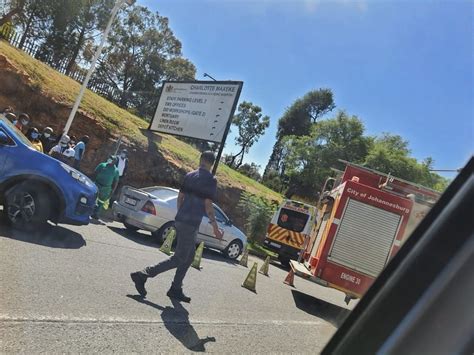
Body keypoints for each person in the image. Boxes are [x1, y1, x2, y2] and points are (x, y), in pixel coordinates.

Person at [130, 151, 224, 303]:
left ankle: (175, 288)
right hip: (190, 223)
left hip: (181, 220)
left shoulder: (190, 175)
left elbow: (180, 198)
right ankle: (143, 274)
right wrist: (215, 228)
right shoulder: (211, 180)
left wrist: (181, 215)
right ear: (212, 164)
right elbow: (208, 205)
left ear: (201, 159)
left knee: (189, 257)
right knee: (179, 258)